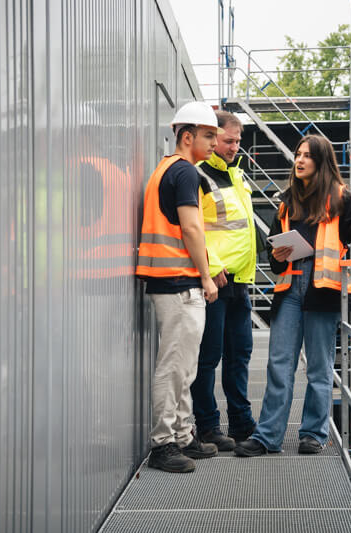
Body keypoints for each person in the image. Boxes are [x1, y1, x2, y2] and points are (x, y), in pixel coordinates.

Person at [234, 134, 351, 457]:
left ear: (321, 162)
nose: (299, 160)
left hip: (324, 290)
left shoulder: (341, 198)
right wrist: (278, 255)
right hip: (290, 289)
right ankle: (267, 437)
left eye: (306, 156)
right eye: (297, 155)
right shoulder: (287, 201)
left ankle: (313, 434)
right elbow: (274, 261)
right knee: (279, 365)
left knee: (319, 368)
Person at [136, 101, 223, 473]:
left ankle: (184, 436)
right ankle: (163, 444)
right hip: (178, 282)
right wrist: (206, 276)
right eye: (208, 136)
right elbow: (190, 228)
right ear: (187, 137)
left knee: (184, 366)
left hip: (170, 279)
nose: (214, 143)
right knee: (174, 366)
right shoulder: (186, 172)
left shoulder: (166, 168)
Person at [189, 111, 259, 451]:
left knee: (239, 355)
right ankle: (207, 427)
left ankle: (241, 422)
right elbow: (190, 227)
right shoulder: (198, 175)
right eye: (228, 141)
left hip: (240, 281)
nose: (234, 147)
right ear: (212, 139)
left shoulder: (238, 175)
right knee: (209, 357)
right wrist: (212, 266)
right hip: (215, 280)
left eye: (238, 141)